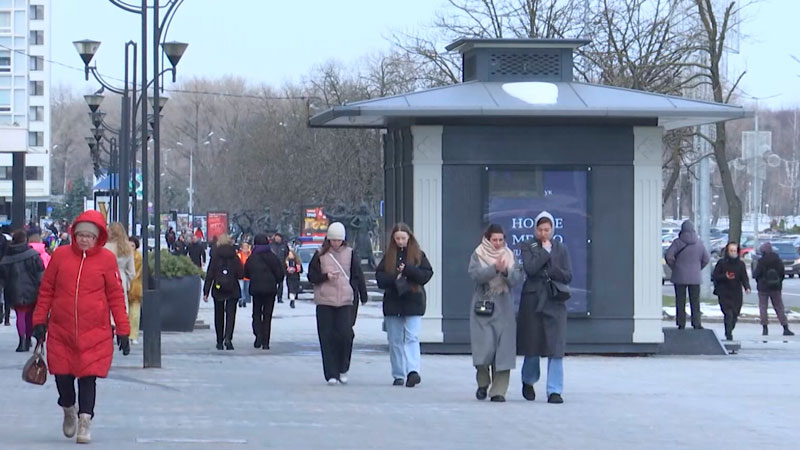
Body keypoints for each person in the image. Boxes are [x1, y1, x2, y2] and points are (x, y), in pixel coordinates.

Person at [32, 210, 130, 444]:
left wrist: (123, 330)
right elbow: (46, 290)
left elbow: (116, 296)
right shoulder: (61, 256)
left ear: (98, 238)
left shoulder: (106, 260)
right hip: (61, 329)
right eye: (81, 235)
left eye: (90, 236)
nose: (85, 239)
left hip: (95, 332)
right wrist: (39, 320)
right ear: (74, 235)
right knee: (62, 378)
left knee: (88, 378)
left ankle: (85, 421)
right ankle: (68, 408)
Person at [517, 211, 572, 404]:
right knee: (533, 345)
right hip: (533, 301)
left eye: (547, 229)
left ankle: (554, 390)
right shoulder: (528, 246)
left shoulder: (561, 248)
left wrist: (551, 269)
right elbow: (530, 268)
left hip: (554, 300)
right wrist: (545, 253)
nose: (543, 233)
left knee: (556, 346)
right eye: (540, 229)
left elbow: (567, 275)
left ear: (552, 230)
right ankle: (528, 380)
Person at [308, 222, 368, 385]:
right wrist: (326, 276)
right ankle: (331, 373)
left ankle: (343, 367)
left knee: (345, 334)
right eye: (333, 240)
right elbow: (311, 276)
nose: (336, 243)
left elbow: (357, 275)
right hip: (325, 300)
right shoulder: (320, 254)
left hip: (345, 300)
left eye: (339, 240)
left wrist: (362, 294)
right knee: (326, 337)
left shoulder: (350, 253)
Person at [468, 224, 523, 402]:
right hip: (483, 306)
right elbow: (475, 275)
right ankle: (483, 383)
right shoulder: (478, 254)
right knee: (483, 349)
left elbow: (516, 279)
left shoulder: (509, 255)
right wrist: (494, 269)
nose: (498, 243)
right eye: (494, 240)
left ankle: (498, 391)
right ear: (487, 239)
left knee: (504, 351)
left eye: (501, 240)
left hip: (504, 307)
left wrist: (506, 270)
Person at [375, 223, 433, 387]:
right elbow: (380, 278)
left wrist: (408, 270)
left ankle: (413, 371)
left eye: (403, 238)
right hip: (393, 302)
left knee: (412, 337)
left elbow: (426, 275)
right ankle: (399, 373)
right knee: (395, 339)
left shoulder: (418, 255)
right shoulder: (388, 256)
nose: (400, 242)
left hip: (413, 300)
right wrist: (394, 276)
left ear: (409, 238)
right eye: (397, 238)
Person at [0, 230, 45, 352]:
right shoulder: (32, 254)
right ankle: (29, 339)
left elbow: (2, 276)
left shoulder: (7, 256)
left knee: (20, 314)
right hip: (32, 288)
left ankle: (21, 341)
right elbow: (40, 272)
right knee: (30, 315)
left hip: (14, 289)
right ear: (25, 240)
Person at [665, 220, 710, 330]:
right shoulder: (699, 243)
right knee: (695, 301)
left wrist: (675, 267)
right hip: (695, 277)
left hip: (679, 276)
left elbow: (669, 257)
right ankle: (696, 323)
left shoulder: (677, 242)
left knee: (680, 300)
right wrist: (698, 268)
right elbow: (706, 258)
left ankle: (681, 323)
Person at [203, 234, 244, 350]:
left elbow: (210, 275)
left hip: (218, 288)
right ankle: (228, 339)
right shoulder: (234, 256)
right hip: (233, 289)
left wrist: (206, 291)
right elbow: (241, 274)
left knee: (218, 314)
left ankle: (219, 341)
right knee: (231, 315)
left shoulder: (215, 256)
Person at [245, 234, 285, 349]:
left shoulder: (252, 258)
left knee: (256, 313)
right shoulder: (273, 257)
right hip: (270, 290)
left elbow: (246, 273)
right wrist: (275, 281)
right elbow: (280, 274)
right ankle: (266, 342)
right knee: (267, 315)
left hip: (256, 289)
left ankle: (258, 336)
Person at [753, 242, 794, 337]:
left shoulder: (761, 261)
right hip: (776, 287)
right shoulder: (778, 260)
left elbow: (756, 274)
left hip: (763, 288)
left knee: (763, 307)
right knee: (779, 307)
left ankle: (765, 328)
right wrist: (778, 282)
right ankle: (785, 327)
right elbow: (782, 274)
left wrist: (760, 280)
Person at [712, 242, 750, 341]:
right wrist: (725, 276)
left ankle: (730, 328)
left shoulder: (741, 264)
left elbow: (744, 277)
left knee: (735, 314)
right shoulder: (721, 263)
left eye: (735, 251)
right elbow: (715, 276)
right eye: (731, 251)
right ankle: (728, 333)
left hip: (736, 292)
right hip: (724, 292)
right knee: (728, 313)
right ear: (727, 251)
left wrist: (747, 287)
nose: (733, 253)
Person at [104, 223, 136, 307]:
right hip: (121, 278)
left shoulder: (103, 247)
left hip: (105, 278)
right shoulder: (127, 248)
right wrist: (127, 282)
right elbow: (132, 272)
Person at [128, 237, 143, 345]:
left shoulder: (138, 257)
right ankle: (127, 334)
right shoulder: (124, 256)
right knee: (127, 313)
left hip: (135, 287)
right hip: (126, 286)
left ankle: (133, 335)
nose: (130, 248)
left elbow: (137, 273)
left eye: (132, 245)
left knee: (135, 314)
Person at [271, 233, 290, 302]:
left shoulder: (284, 246)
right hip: (272, 267)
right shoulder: (271, 246)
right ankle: (272, 296)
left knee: (281, 283)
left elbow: (288, 256)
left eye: (278, 238)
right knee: (272, 283)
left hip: (282, 267)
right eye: (276, 238)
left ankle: (279, 297)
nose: (277, 239)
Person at [238, 242, 252, 308]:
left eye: (246, 247)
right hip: (241, 275)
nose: (245, 249)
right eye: (244, 247)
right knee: (241, 288)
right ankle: (242, 299)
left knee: (247, 288)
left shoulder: (250, 255)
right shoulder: (239, 255)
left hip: (248, 275)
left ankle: (246, 300)